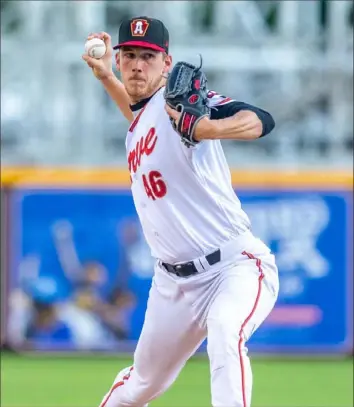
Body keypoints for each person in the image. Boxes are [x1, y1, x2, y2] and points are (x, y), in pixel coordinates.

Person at [82, 16, 279, 407]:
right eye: (130, 56)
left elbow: (261, 121)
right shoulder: (141, 123)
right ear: (119, 60)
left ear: (167, 64)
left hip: (233, 267)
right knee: (140, 385)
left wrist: (206, 127)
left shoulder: (181, 102)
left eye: (149, 57)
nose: (138, 65)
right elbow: (142, 118)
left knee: (225, 330)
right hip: (172, 285)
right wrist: (105, 77)